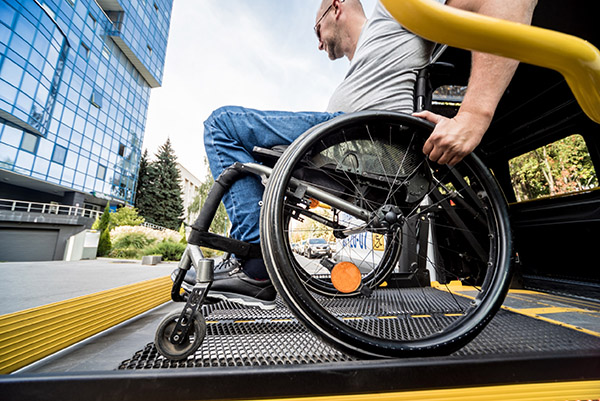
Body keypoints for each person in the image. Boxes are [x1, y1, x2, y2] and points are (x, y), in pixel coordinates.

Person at [183, 0, 537, 310]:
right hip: (347, 153)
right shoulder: (367, 60)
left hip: (372, 148)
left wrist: (474, 116)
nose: (318, 42)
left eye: (316, 28)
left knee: (223, 125)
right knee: (248, 155)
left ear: (335, 7)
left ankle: (254, 260)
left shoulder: (392, 12)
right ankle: (250, 256)